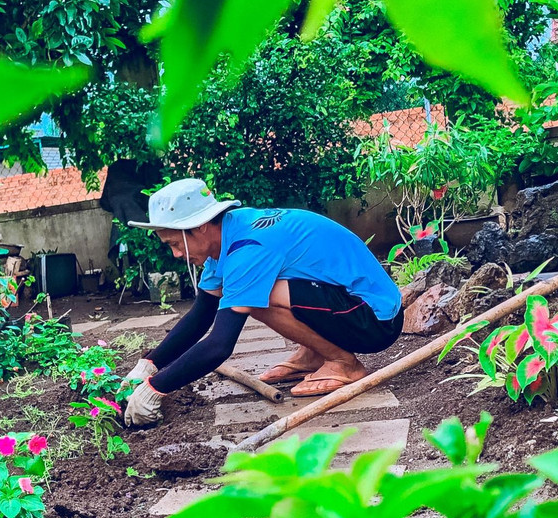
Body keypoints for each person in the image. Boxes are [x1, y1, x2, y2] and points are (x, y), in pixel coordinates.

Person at [120, 178, 403, 428]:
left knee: (257, 295)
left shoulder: (248, 248)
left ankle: (343, 362)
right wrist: (150, 364)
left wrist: (155, 389)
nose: (176, 254)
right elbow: (201, 316)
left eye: (175, 244)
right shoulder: (228, 236)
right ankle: (315, 354)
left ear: (201, 227)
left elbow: (219, 345)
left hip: (376, 320)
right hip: (348, 305)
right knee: (250, 290)